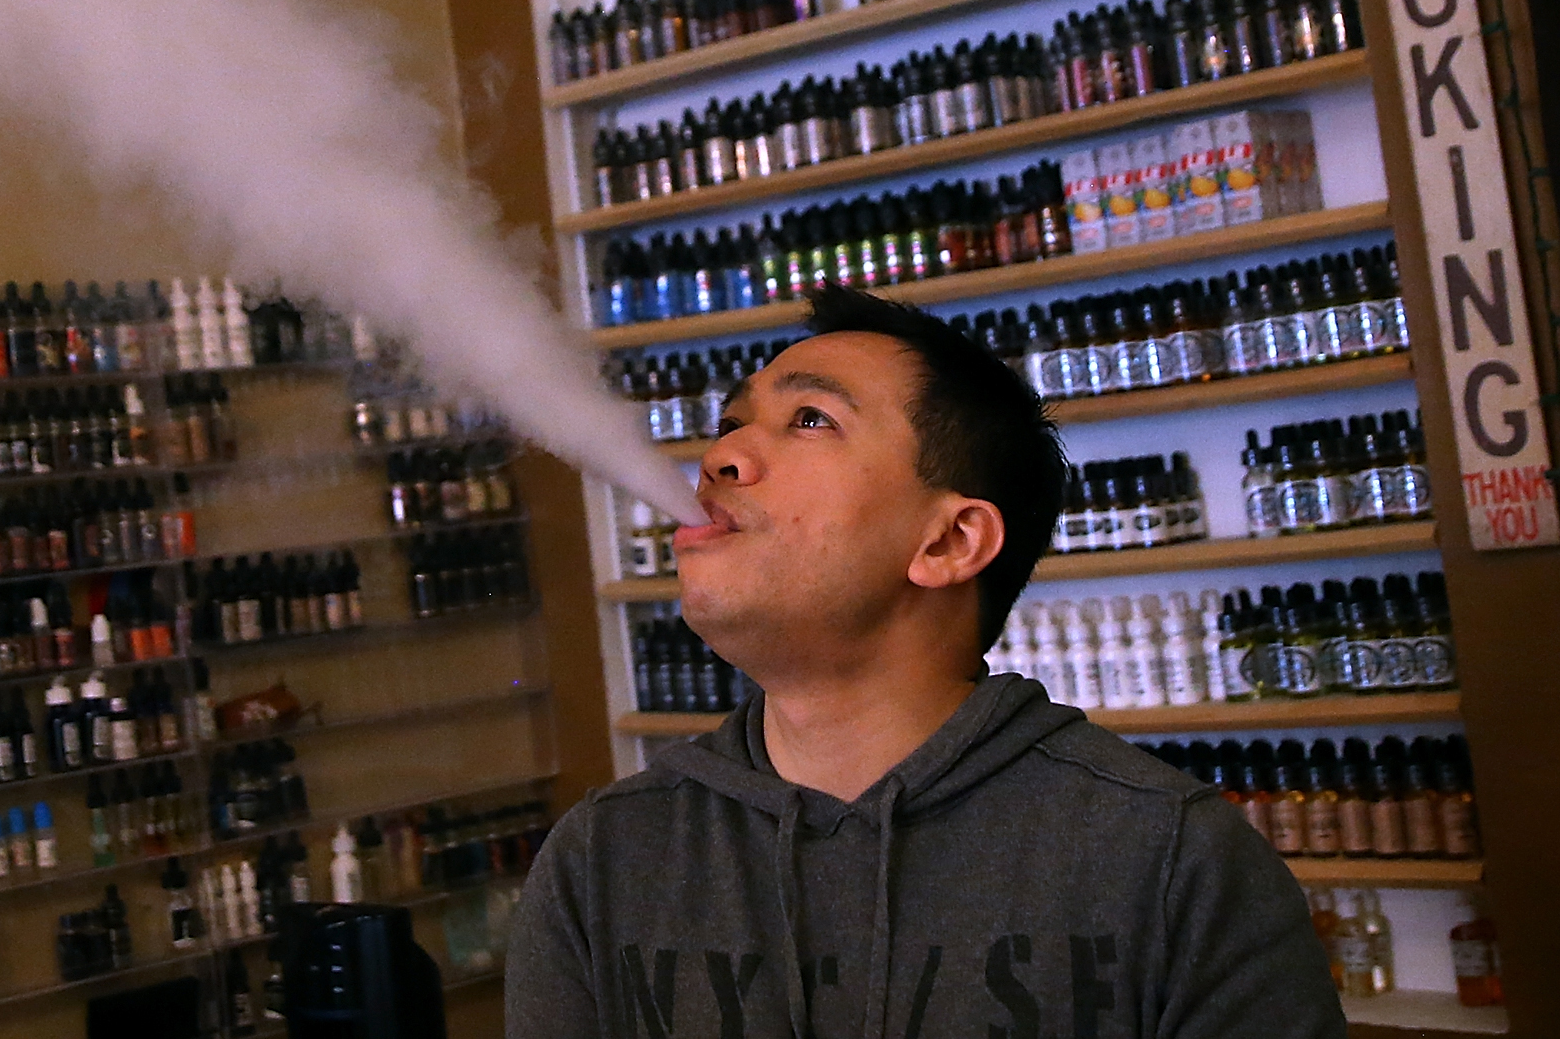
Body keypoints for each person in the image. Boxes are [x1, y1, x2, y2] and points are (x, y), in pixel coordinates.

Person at [507, 286, 1341, 1038]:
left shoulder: (1173, 861)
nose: (721, 457)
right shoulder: (601, 858)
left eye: (809, 420)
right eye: (731, 423)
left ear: (949, 539)